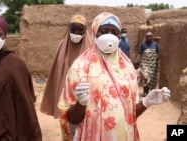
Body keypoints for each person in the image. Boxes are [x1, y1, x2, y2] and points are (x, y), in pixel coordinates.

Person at [58, 12, 170, 141]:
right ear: (94, 33)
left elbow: (128, 116)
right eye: (104, 31)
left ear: (119, 35)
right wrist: (81, 104)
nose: (109, 36)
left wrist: (146, 103)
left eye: (115, 32)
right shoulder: (79, 68)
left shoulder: (128, 70)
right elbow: (70, 119)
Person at [40, 14, 93, 119]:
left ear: (85, 30)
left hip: (83, 94)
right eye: (73, 29)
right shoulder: (62, 46)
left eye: (80, 29)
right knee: (66, 124)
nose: (76, 33)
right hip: (64, 92)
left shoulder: (91, 48)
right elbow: (58, 70)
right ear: (69, 29)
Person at [136, 32, 159, 97]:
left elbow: (157, 53)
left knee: (151, 78)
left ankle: (147, 91)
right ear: (146, 38)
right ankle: (145, 91)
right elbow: (139, 53)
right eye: (147, 36)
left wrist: (157, 61)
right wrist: (137, 59)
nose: (149, 37)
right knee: (145, 76)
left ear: (152, 37)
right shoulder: (143, 45)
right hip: (145, 64)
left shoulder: (155, 44)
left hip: (152, 64)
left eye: (150, 36)